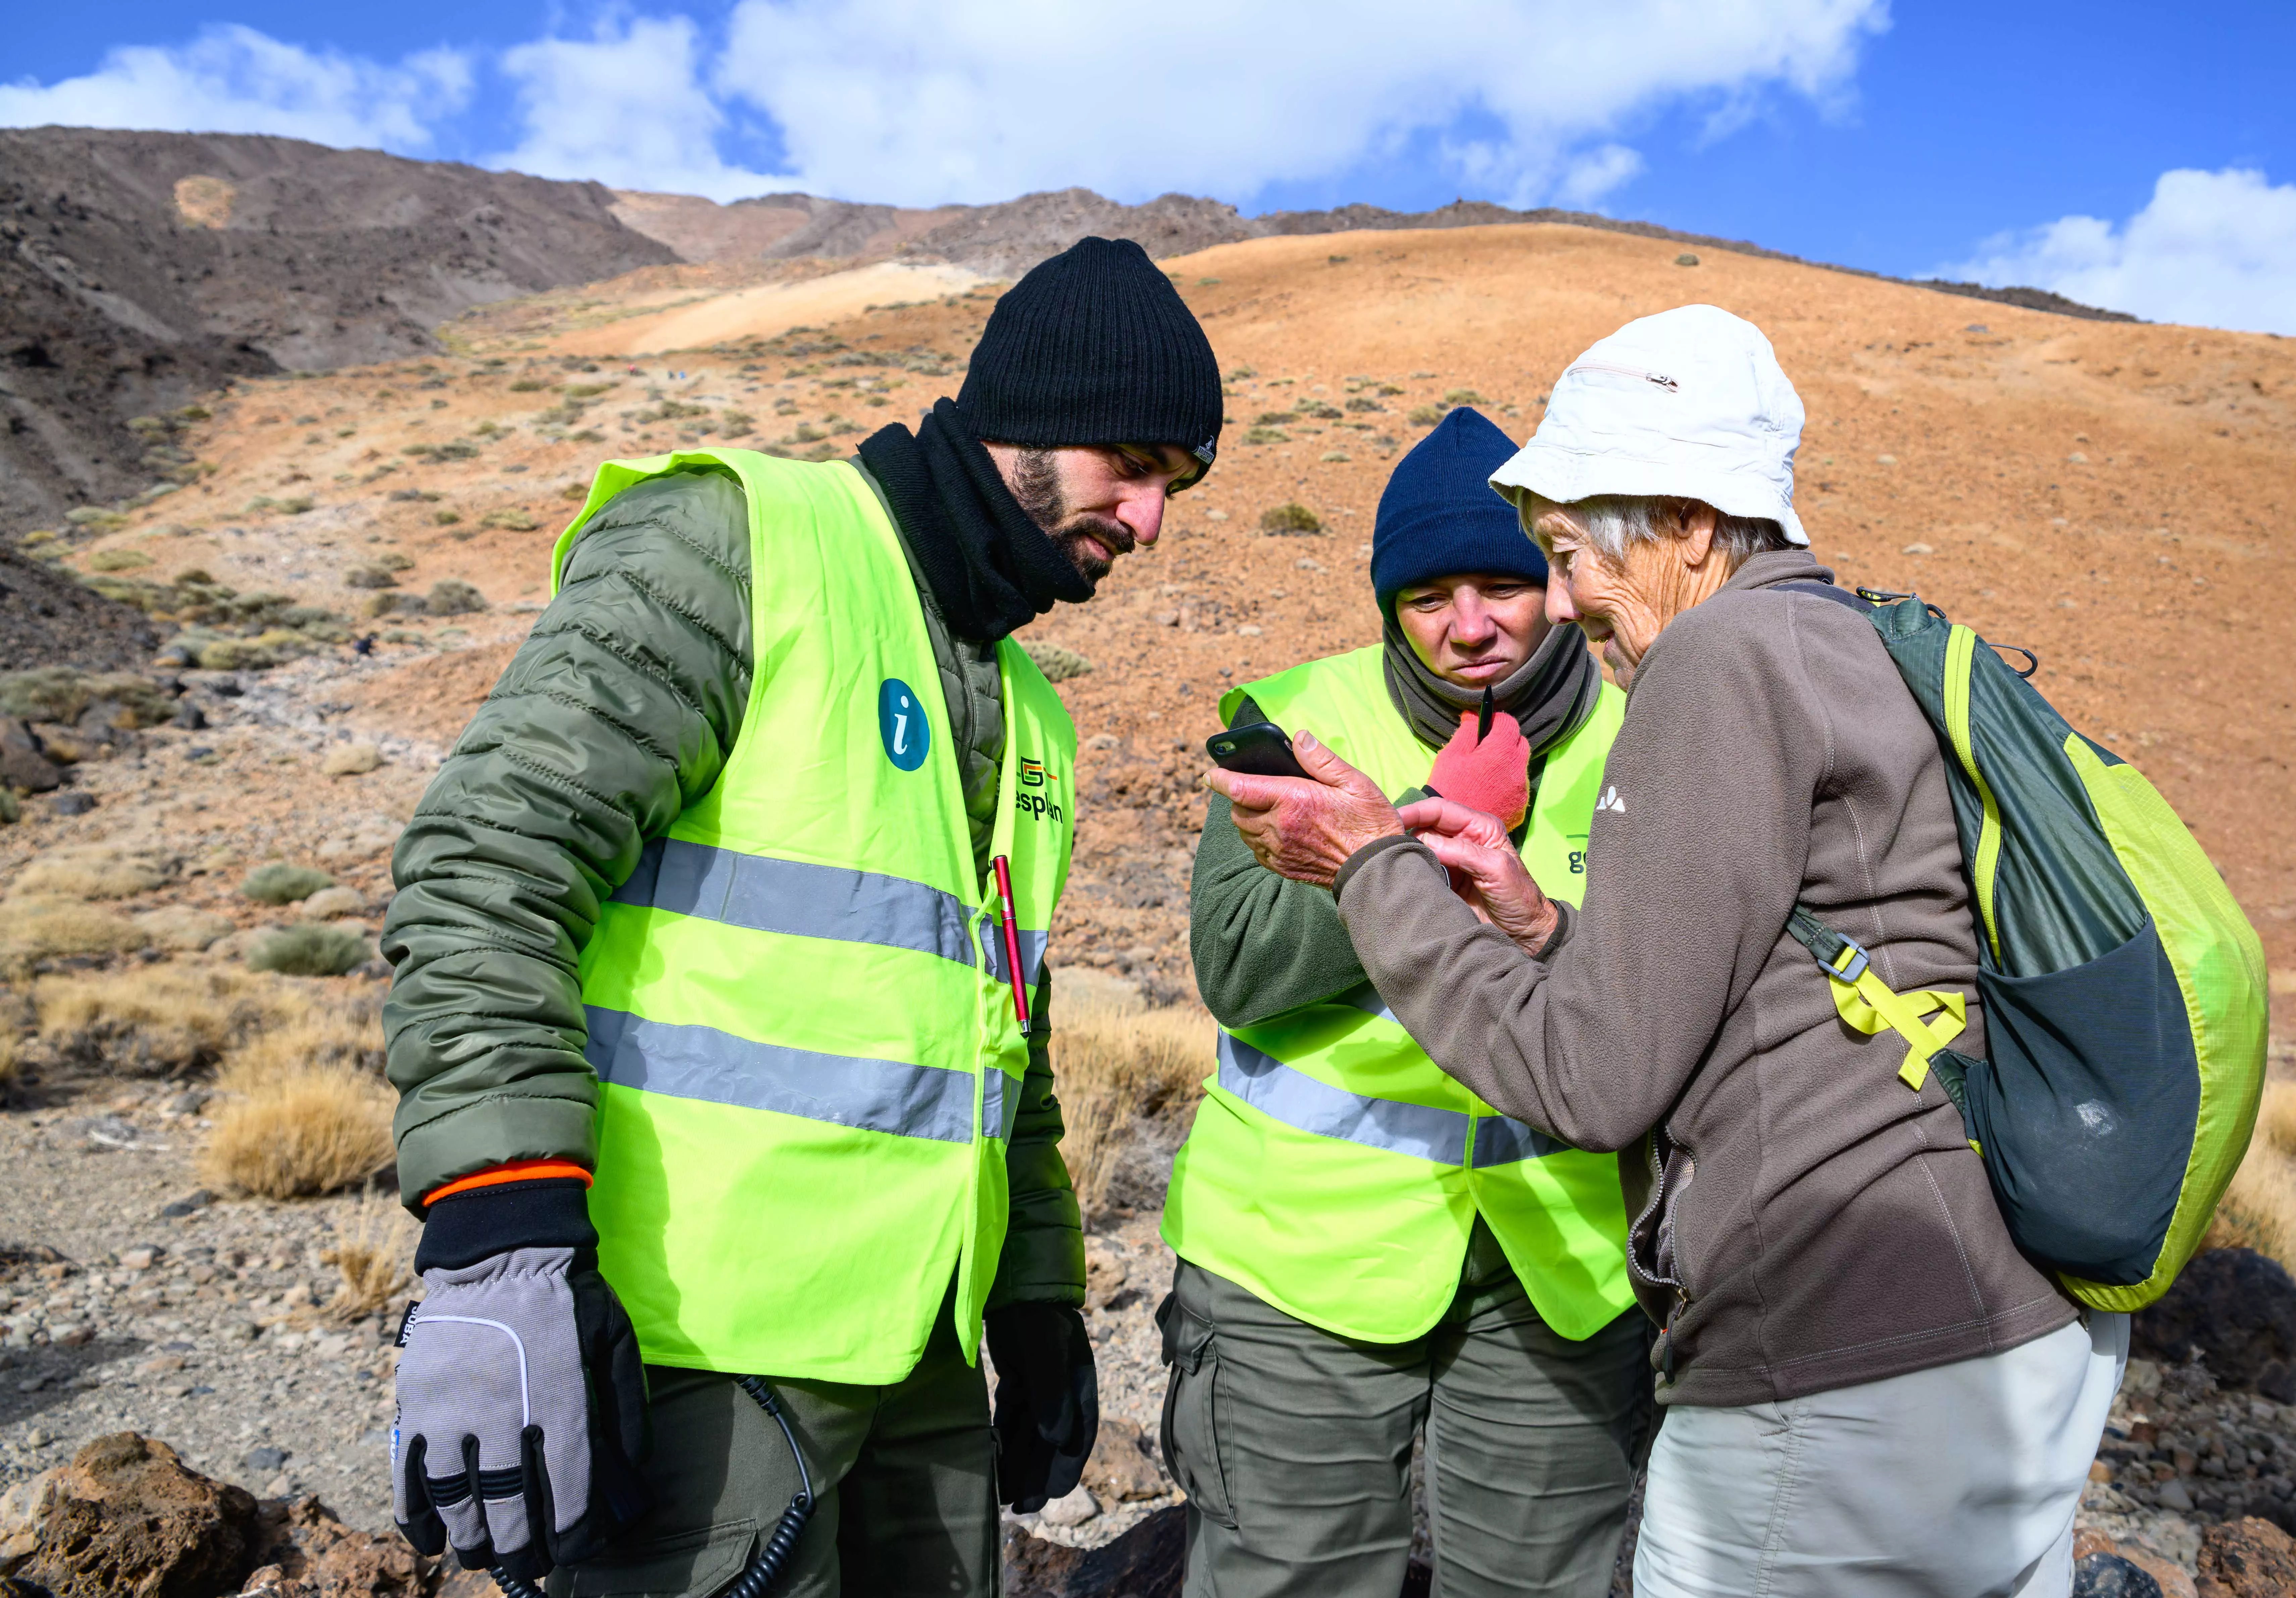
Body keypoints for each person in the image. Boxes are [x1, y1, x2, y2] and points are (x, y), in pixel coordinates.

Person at [1209, 305, 2123, 1597]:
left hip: (1837, 1356)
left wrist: (1371, 868)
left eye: (1567, 550)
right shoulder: (1840, 635)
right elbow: (1782, 971)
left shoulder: (1718, 655)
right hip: (1977, 1327)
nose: (1565, 596)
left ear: (1691, 523)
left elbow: (1591, 1081)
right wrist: (1540, 928)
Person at [378, 237, 1222, 1598]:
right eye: (1132, 464)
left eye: (1176, 486)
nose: (1151, 518)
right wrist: (497, 1228)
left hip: (921, 1363)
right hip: (704, 1355)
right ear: (1035, 413)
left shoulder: (1033, 713)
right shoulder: (741, 542)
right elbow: (490, 862)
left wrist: (1037, 1296)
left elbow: (1005, 1039)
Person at [1161, 407, 1654, 1598]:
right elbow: (1240, 973)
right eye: (1430, 595)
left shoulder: (1662, 736)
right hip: (1298, 1258)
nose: (1470, 626)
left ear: (1558, 573)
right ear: (1388, 602)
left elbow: (1671, 1005)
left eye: (1503, 583)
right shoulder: (1288, 722)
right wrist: (1425, 821)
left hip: (1566, 1271)